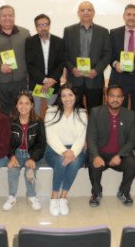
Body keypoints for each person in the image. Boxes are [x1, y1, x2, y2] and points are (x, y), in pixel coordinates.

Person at [87, 85, 135, 207]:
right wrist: (96, 156)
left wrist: (120, 155)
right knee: (93, 164)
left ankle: (124, 192)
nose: (115, 99)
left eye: (118, 96)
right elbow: (91, 137)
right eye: (112, 96)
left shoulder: (130, 114)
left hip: (120, 154)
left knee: (133, 164)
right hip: (101, 153)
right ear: (106, 97)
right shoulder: (96, 112)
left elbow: (132, 140)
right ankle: (96, 193)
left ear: (123, 99)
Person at [45, 84, 87, 216]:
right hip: (54, 149)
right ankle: (54, 197)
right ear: (59, 97)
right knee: (61, 160)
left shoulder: (82, 113)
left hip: (76, 149)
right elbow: (50, 136)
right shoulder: (51, 111)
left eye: (70, 95)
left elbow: (81, 137)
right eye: (63, 95)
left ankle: (63, 198)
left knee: (73, 162)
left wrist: (72, 152)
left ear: (75, 96)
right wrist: (64, 152)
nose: (67, 98)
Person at [63, 1, 111, 112]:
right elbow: (64, 54)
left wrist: (96, 70)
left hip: (95, 79)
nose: (86, 12)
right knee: (74, 112)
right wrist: (72, 68)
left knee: (95, 113)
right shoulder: (69, 31)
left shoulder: (103, 31)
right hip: (74, 79)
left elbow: (107, 54)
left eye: (89, 10)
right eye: (83, 10)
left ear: (93, 13)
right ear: (78, 13)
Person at [3, 92, 46, 211]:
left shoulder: (38, 122)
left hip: (31, 154)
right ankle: (11, 196)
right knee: (12, 171)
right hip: (16, 154)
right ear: (16, 105)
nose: (24, 106)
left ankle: (31, 196)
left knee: (30, 172)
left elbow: (41, 144)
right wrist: (11, 157)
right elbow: (7, 142)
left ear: (32, 105)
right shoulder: (11, 122)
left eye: (27, 103)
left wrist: (33, 158)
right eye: (20, 103)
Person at [25, 14, 64, 115]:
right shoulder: (29, 42)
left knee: (52, 113)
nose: (43, 28)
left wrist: (51, 80)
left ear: (49, 26)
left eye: (45, 24)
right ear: (36, 27)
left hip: (53, 84)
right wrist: (45, 80)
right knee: (35, 113)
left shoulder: (59, 41)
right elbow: (30, 64)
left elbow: (61, 63)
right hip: (36, 83)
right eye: (40, 25)